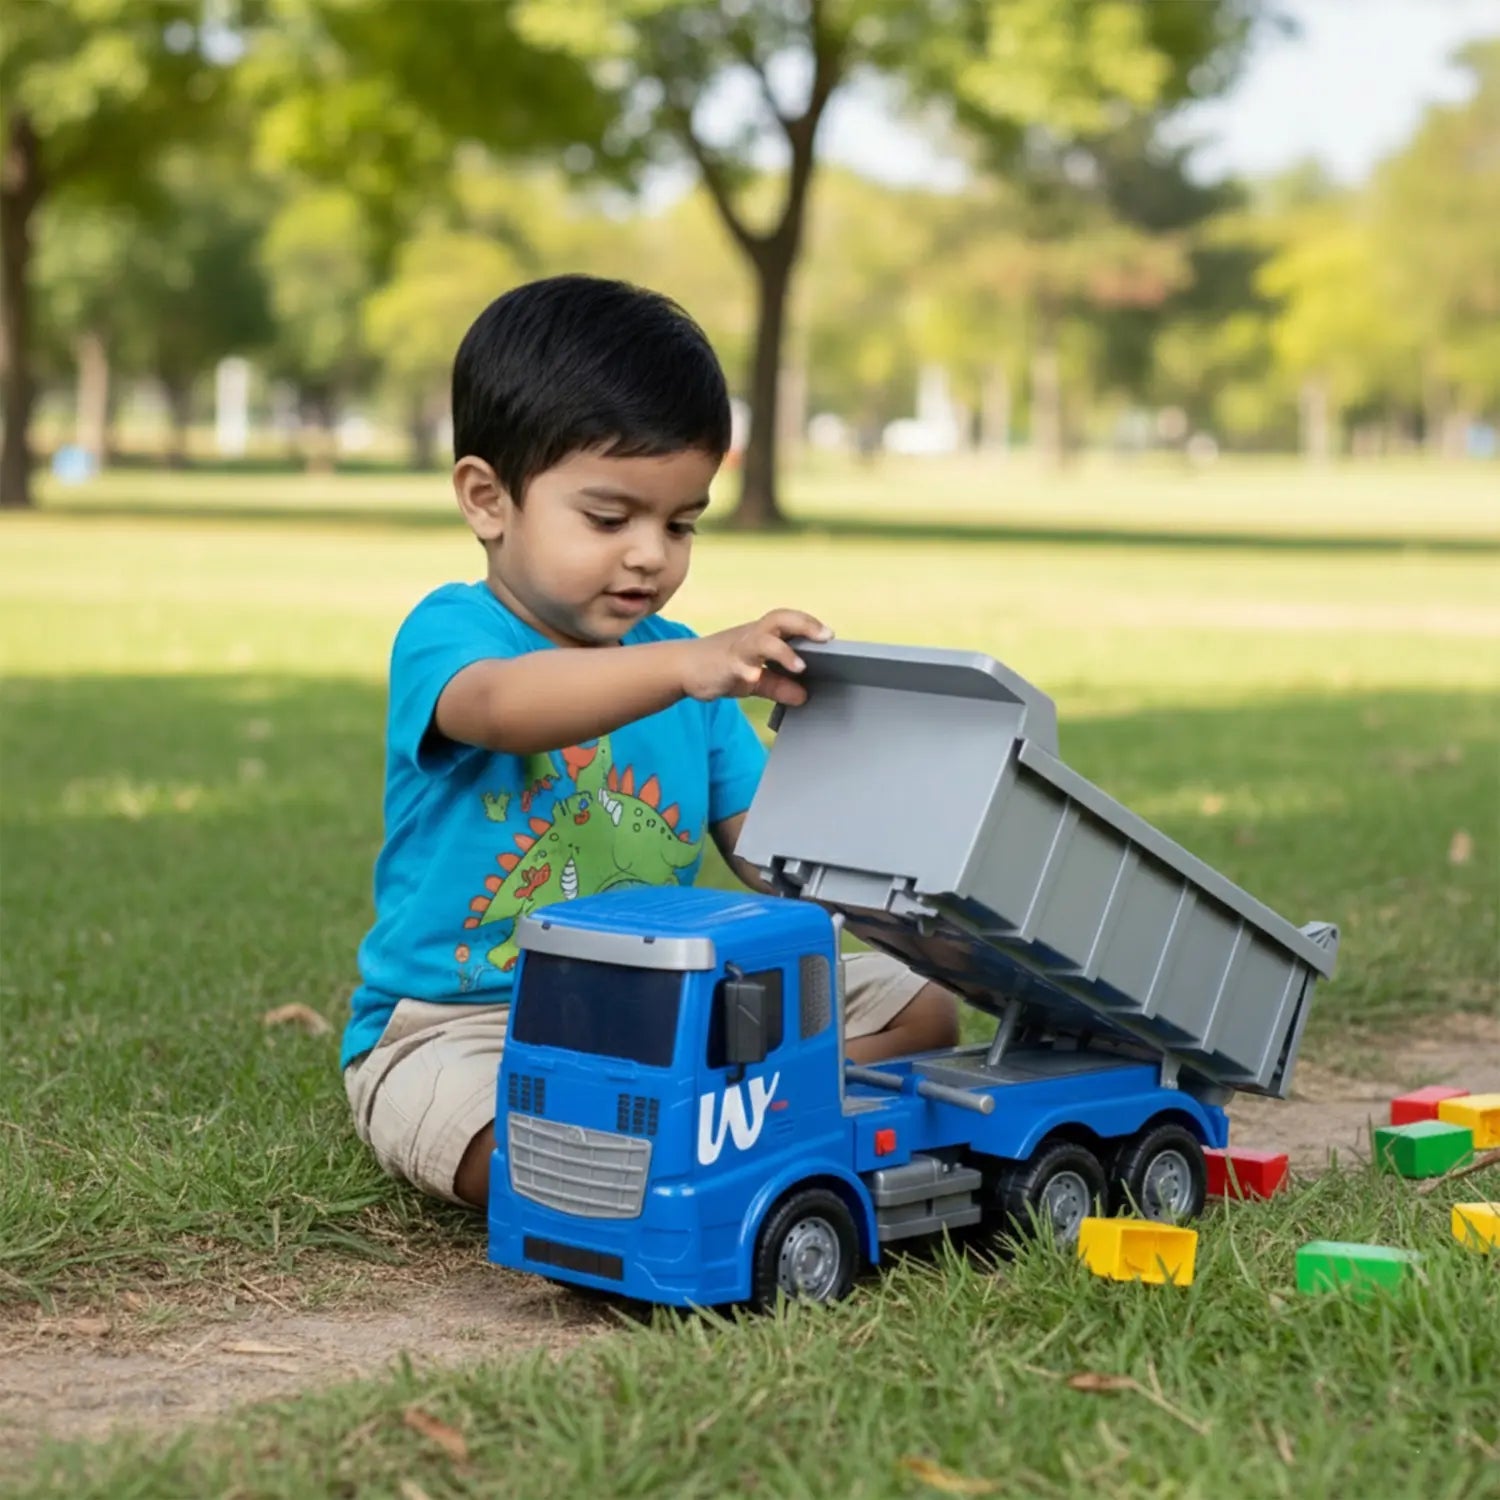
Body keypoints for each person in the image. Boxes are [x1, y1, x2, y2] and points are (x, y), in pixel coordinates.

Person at [342, 275, 958, 1209]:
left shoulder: (688, 670)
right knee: (489, 1143)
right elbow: (504, 707)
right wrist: (685, 668)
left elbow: (769, 854)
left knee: (920, 1006)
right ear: (487, 499)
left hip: (673, 1017)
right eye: (609, 518)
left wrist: (892, 853)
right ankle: (715, 1132)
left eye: (680, 524)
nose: (650, 555)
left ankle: (710, 1124)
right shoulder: (454, 636)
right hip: (464, 1025)